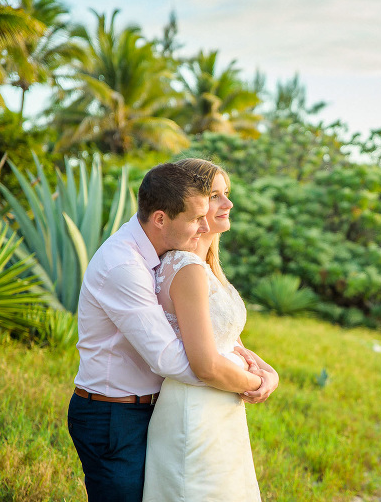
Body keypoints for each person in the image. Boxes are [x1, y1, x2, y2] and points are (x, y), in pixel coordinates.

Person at [68, 162, 241, 502]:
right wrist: (247, 381)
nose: (204, 226)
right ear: (161, 218)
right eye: (195, 219)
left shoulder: (161, 257)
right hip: (113, 416)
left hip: (151, 410)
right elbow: (170, 359)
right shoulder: (124, 265)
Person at [143, 158, 278, 501]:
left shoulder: (207, 267)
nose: (227, 204)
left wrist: (269, 373)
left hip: (221, 405)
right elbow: (205, 362)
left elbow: (229, 342)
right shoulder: (185, 268)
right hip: (197, 407)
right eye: (216, 196)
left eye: (226, 194)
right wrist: (255, 383)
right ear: (196, 204)